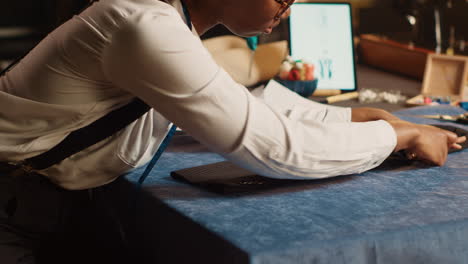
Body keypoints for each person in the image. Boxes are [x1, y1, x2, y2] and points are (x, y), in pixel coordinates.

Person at [0, 0, 465, 263]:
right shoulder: (144, 27)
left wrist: (358, 118)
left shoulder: (165, 20)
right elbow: (274, 146)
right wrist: (399, 138)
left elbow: (237, 104)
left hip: (39, 203)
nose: (290, 3)